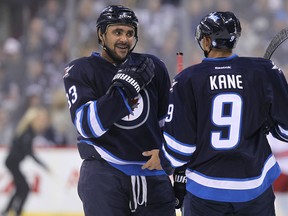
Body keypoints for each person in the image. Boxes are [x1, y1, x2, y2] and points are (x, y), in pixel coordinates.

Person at [161, 11, 288, 216]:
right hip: (255, 190)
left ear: (206, 41)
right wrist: (268, 122)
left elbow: (179, 151)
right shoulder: (264, 70)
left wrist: (165, 163)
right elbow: (285, 131)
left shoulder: (187, 79)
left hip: (206, 192)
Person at [63, 5, 175, 216]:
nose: (124, 39)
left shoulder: (153, 66)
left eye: (130, 33)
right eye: (117, 32)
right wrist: (123, 92)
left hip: (153, 177)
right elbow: (87, 126)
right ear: (101, 34)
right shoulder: (80, 70)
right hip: (104, 176)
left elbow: (167, 123)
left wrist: (167, 157)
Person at [2, 106, 51, 216]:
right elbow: (29, 152)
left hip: (12, 163)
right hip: (12, 163)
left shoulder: (28, 131)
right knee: (24, 188)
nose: (41, 122)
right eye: (39, 119)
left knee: (21, 188)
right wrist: (43, 165)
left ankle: (8, 211)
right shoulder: (27, 133)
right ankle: (14, 211)